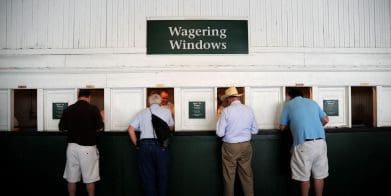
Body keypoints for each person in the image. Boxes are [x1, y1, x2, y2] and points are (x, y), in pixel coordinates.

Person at [279, 88, 329, 196]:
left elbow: (282, 127)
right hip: (321, 143)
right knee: (319, 176)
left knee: (304, 177)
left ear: (289, 95)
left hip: (304, 144)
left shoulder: (289, 105)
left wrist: (294, 125)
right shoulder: (313, 102)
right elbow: (326, 120)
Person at [127, 93, 174, 196]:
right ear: (160, 101)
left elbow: (130, 129)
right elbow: (170, 127)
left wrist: (137, 144)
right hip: (161, 146)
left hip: (144, 145)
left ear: (149, 102)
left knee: (147, 178)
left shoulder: (142, 113)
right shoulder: (166, 111)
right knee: (162, 176)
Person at [59, 89, 104, 196]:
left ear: (78, 96)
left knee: (71, 178)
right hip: (87, 148)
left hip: (71, 147)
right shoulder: (93, 109)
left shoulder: (69, 109)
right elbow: (100, 128)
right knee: (89, 178)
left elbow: (62, 128)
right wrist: (101, 118)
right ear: (89, 97)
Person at [216, 86, 258, 196]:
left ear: (229, 99)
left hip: (230, 146)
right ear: (238, 98)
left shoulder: (226, 111)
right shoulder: (249, 109)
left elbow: (219, 133)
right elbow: (255, 130)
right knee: (247, 175)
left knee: (229, 176)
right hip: (246, 145)